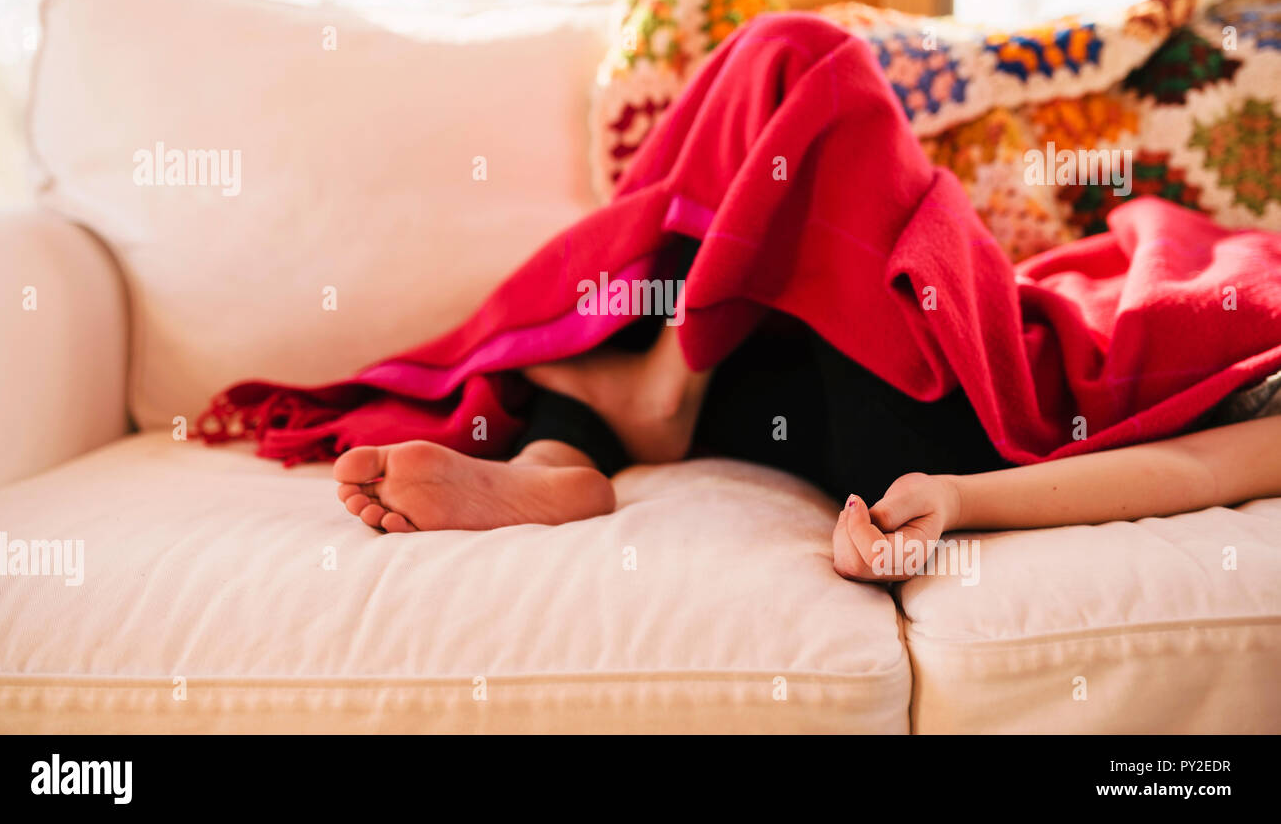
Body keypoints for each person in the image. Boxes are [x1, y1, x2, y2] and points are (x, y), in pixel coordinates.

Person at [333, 234, 1281, 583]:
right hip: (860, 405)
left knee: (816, 70)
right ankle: (555, 464)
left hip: (963, 415)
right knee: (669, 310)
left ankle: (665, 381)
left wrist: (952, 498)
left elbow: (1197, 471)